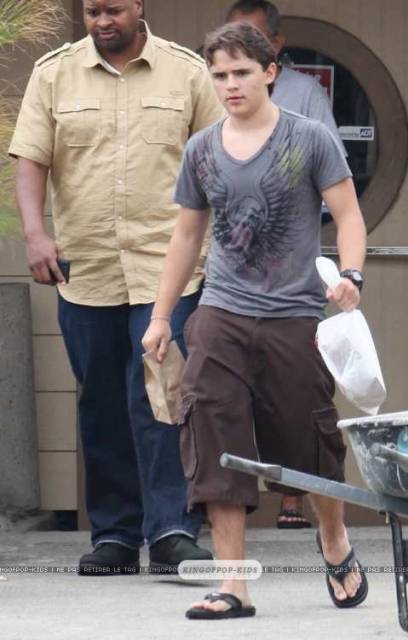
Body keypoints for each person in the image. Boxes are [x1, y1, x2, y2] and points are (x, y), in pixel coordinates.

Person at [142, 22, 368, 619]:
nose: (230, 85)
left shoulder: (310, 138)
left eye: (241, 72)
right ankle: (233, 584)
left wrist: (351, 274)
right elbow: (186, 234)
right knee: (213, 435)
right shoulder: (202, 149)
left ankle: (334, 539)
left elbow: (348, 215)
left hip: (294, 313)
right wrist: (162, 316)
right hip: (221, 310)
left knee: (309, 440)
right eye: (219, 75)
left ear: (270, 72)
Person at [9, 0, 223, 576]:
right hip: (87, 269)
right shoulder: (53, 73)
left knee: (162, 395)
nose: (102, 21)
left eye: (114, 10)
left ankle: (173, 530)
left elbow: (218, 160)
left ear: (139, 7)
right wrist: (35, 235)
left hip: (168, 268)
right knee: (101, 402)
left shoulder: (187, 72)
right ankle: (116, 536)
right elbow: (31, 160)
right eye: (92, 11)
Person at [226, 0, 345, 529]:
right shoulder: (215, 93)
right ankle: (224, 509)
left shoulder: (305, 95)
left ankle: (296, 498)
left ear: (275, 47)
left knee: (294, 394)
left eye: (252, 38)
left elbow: (332, 182)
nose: (237, 55)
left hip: (290, 271)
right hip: (227, 272)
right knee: (224, 393)